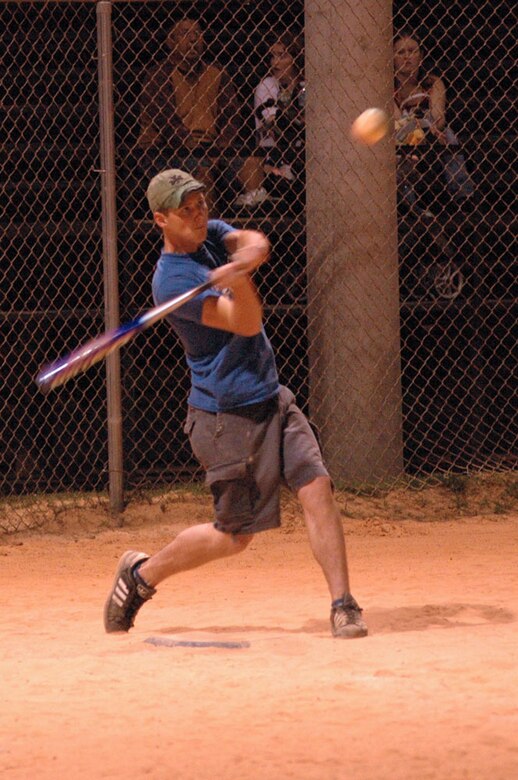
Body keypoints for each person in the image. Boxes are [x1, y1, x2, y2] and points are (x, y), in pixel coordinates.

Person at [103, 168, 368, 640]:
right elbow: (245, 322)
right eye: (186, 210)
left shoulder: (210, 234)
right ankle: (141, 576)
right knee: (233, 536)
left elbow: (253, 238)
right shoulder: (172, 282)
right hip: (226, 416)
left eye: (201, 203)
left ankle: (343, 604)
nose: (200, 214)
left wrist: (243, 258)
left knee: (317, 488)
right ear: (162, 220)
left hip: (271, 396)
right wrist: (240, 279)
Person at [137, 18, 265, 212]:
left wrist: (219, 149)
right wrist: (198, 152)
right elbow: (166, 123)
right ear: (171, 42)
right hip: (167, 150)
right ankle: (207, 234)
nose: (193, 39)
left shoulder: (216, 74)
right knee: (201, 171)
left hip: (212, 148)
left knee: (252, 163)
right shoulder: (158, 76)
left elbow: (231, 116)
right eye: (185, 34)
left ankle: (257, 229)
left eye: (197, 34)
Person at [393, 32, 474, 207]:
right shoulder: (388, 88)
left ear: (421, 55)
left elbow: (438, 116)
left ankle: (462, 193)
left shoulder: (432, 82)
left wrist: (428, 127)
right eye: (400, 52)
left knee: (449, 135)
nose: (407, 56)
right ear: (392, 57)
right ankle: (409, 203)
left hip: (431, 133)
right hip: (404, 137)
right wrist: (422, 126)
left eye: (412, 51)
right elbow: (398, 122)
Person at [236, 31, 305, 205]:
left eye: (282, 56)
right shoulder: (267, 86)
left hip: (301, 155)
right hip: (272, 155)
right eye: (272, 56)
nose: (275, 63)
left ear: (296, 58)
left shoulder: (306, 86)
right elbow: (276, 122)